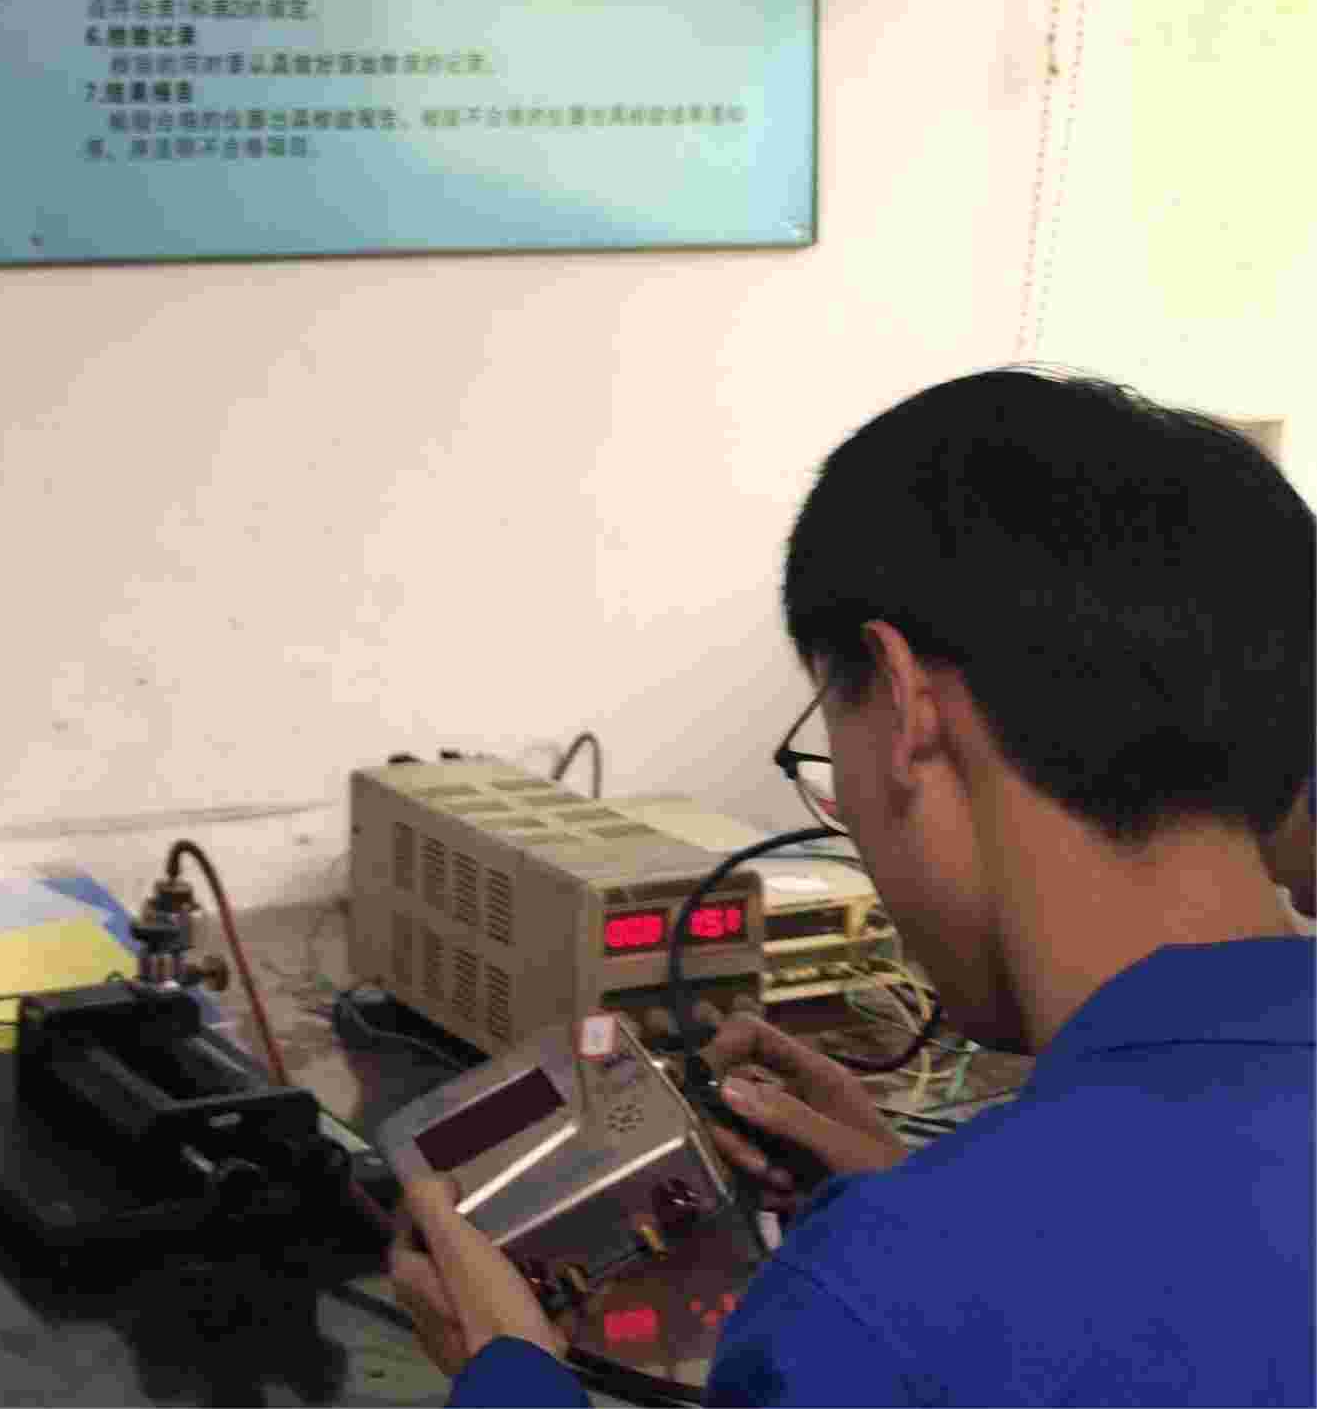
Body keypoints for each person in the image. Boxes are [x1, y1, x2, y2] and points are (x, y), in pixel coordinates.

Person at [388, 369, 1315, 1406]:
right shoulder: (920, 1270)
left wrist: (507, 1371)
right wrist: (920, 1198)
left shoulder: (875, 1307)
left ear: (907, 706)